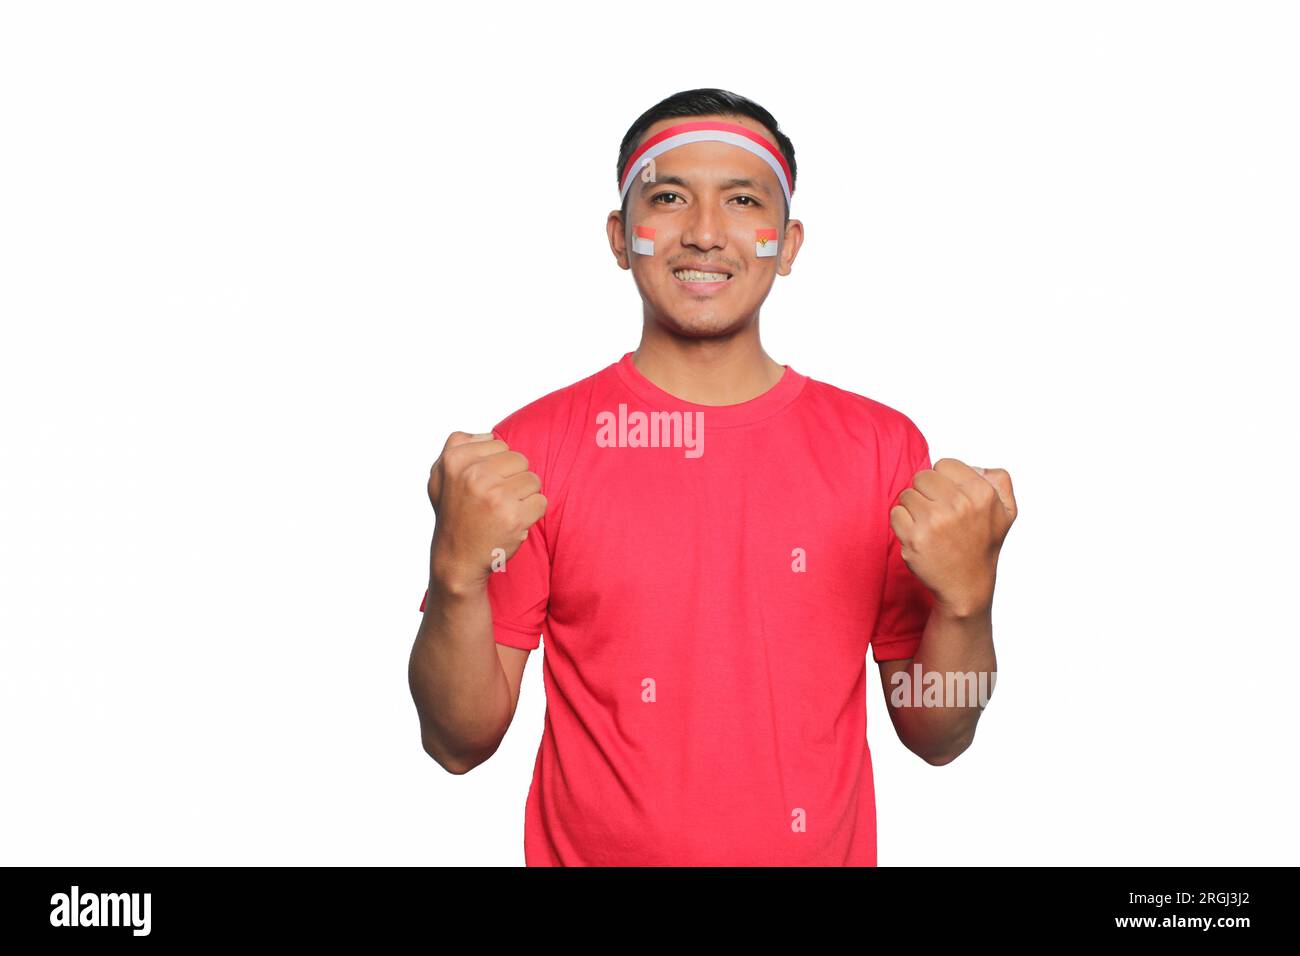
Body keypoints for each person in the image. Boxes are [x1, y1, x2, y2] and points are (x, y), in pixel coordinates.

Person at [408, 88, 1017, 866]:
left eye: (740, 199)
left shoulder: (881, 447)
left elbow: (939, 736)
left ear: (788, 244)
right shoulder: (527, 454)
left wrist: (969, 603)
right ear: (621, 237)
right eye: (667, 197)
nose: (702, 233)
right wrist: (456, 573)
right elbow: (456, 744)